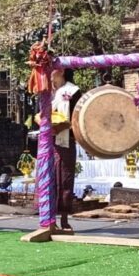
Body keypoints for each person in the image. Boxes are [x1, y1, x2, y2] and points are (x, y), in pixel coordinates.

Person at [49, 68, 80, 231]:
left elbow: (79, 116)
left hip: (66, 140)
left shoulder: (73, 91)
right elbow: (39, 114)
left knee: (64, 178)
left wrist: (62, 126)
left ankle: (64, 218)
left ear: (61, 71)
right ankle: (48, 219)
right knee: (48, 178)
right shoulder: (46, 91)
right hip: (48, 141)